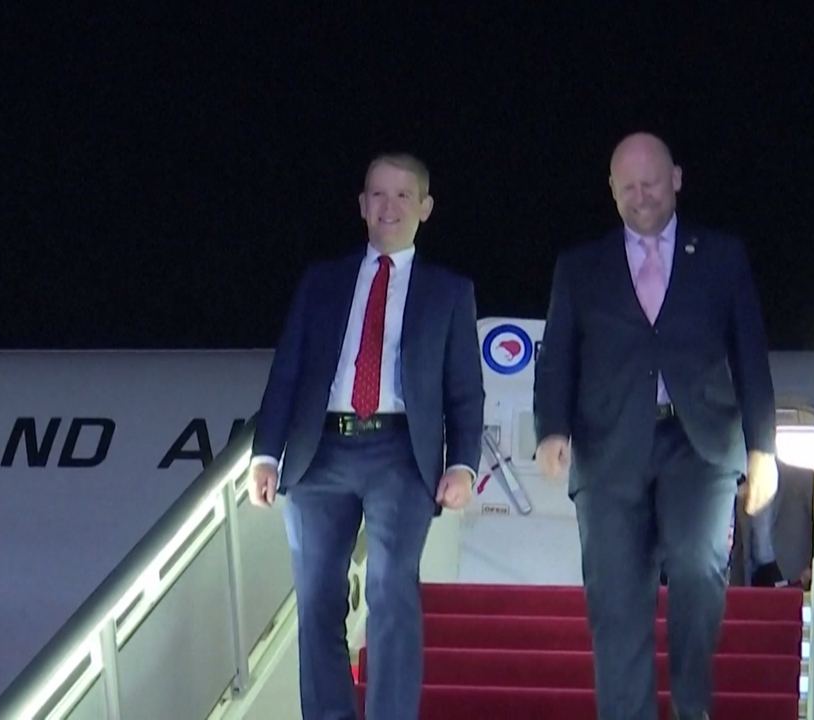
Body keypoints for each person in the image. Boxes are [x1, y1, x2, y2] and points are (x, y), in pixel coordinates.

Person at [533, 132, 779, 720]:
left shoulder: (721, 255)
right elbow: (558, 354)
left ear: (677, 180)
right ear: (613, 192)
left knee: (698, 567)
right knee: (617, 602)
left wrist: (762, 447)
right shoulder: (580, 266)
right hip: (609, 447)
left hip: (699, 443)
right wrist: (551, 429)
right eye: (629, 187)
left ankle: (692, 708)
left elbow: (749, 351)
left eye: (653, 182)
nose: (643, 196)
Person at [246, 153, 485, 720]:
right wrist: (265, 453)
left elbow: (465, 390)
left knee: (390, 591)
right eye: (378, 195)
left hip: (401, 455)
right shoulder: (322, 281)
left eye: (404, 196)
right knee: (318, 599)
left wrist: (464, 463)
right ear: (361, 205)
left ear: (425, 208)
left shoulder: (449, 291)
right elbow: (288, 371)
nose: (389, 207)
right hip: (318, 454)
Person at [730, 460, 814, 589]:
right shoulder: (742, 489)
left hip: (797, 579)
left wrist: (813, 570)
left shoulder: (803, 480)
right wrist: (734, 592)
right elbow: (740, 546)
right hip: (757, 578)